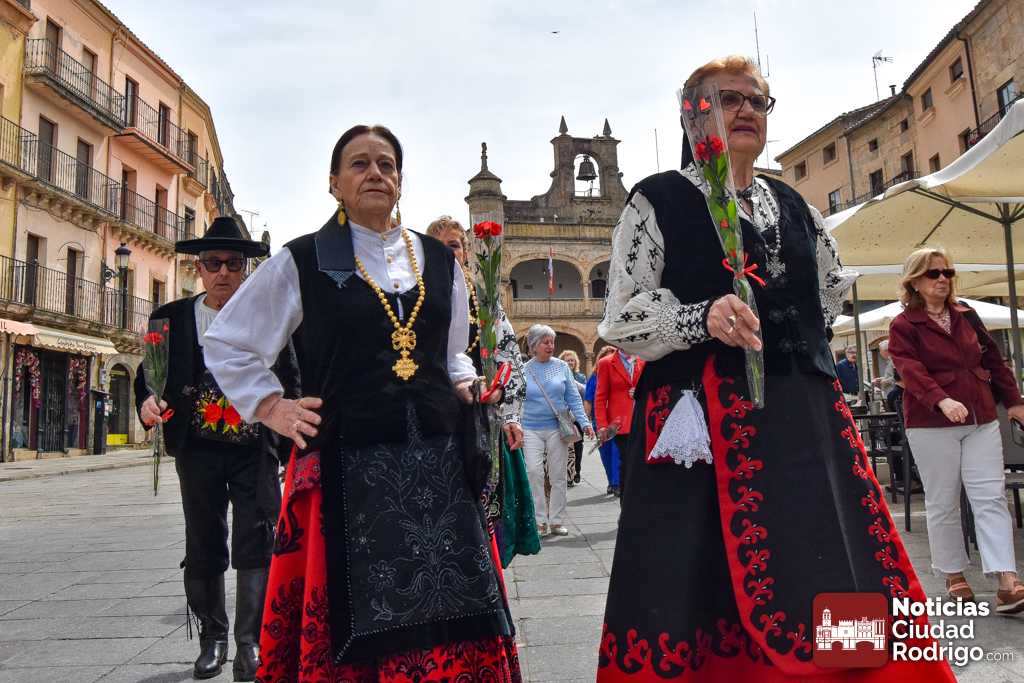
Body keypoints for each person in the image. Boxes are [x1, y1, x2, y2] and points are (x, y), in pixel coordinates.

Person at [596, 55, 955, 681]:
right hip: (703, 420)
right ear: (693, 116)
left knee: (832, 551)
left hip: (803, 416)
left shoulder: (793, 204)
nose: (746, 111)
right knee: (692, 572)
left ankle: (850, 668)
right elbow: (621, 315)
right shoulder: (658, 199)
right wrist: (700, 317)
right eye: (728, 99)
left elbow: (827, 293)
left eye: (757, 101)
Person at [203, 125, 520, 681]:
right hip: (344, 464)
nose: (375, 173)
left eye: (386, 164)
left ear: (400, 180)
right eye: (359, 163)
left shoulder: (439, 261)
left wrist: (472, 389)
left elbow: (452, 356)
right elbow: (227, 341)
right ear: (334, 183)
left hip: (439, 465)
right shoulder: (302, 260)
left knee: (454, 608)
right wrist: (273, 407)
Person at [135, 217, 294, 681]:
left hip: (254, 446)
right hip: (197, 447)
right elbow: (149, 374)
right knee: (203, 539)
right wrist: (147, 401)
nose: (223, 271)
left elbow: (291, 376)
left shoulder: (268, 317)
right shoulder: (170, 318)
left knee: (257, 537)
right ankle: (213, 638)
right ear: (199, 269)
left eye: (233, 263)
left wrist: (292, 447)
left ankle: (250, 644)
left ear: (246, 269)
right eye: (213, 262)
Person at [888, 247, 1024, 613]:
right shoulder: (903, 325)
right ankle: (953, 574)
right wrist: (941, 400)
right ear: (915, 281)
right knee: (943, 499)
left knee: (991, 496)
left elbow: (993, 359)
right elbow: (910, 370)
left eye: (947, 272)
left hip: (981, 417)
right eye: (933, 273)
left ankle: (1007, 581)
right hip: (931, 423)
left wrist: (1014, 401)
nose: (943, 279)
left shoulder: (967, 314)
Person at [425, 215, 540, 567]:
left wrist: (510, 416)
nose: (449, 253)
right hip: (435, 417)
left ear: (465, 252)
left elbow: (509, 358)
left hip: (482, 417)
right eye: (439, 247)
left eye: (454, 245)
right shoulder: (420, 299)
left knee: (486, 509)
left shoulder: (485, 302)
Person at [521, 325, 593, 536]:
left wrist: (585, 423)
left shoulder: (561, 367)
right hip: (530, 427)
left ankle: (556, 520)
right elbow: (516, 400)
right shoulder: (523, 369)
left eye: (552, 342)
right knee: (533, 472)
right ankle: (539, 520)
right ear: (534, 345)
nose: (550, 345)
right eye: (545, 342)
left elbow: (573, 398)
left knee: (558, 475)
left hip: (556, 427)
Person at [593, 347, 645, 498]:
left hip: (642, 421)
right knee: (627, 463)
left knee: (640, 465)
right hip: (620, 425)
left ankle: (637, 499)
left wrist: (640, 392)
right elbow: (600, 397)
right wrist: (602, 425)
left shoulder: (644, 360)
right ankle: (626, 500)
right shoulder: (606, 363)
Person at [585, 345, 622, 495]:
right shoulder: (594, 378)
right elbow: (588, 400)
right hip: (599, 420)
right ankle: (611, 482)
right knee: (605, 453)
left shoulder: (619, 375)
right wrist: (587, 421)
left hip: (617, 419)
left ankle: (617, 483)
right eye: (606, 356)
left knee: (616, 451)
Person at [559, 349, 587, 487]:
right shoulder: (558, 376)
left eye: (572, 360)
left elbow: (584, 393)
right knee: (565, 444)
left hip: (577, 416)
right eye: (567, 360)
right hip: (563, 416)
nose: (570, 362)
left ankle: (576, 471)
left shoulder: (580, 377)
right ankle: (567, 472)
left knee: (578, 444)